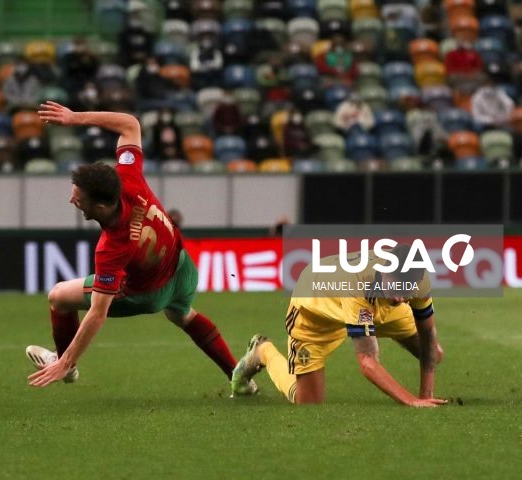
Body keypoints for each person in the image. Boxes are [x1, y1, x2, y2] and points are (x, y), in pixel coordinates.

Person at [26, 102, 251, 391]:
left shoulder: (111, 248)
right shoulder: (128, 177)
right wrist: (75, 118)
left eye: (78, 199)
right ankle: (238, 376)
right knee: (183, 315)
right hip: (181, 267)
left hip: (148, 294)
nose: (72, 201)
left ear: (102, 205)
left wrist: (67, 360)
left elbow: (97, 314)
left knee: (58, 296)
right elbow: (130, 124)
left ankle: (64, 365)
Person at [230, 244, 447, 407]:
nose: (401, 298)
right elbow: (368, 362)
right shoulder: (356, 282)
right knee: (307, 402)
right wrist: (411, 401)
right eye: (397, 287)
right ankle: (263, 351)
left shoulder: (417, 278)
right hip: (317, 312)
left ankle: (373, 320)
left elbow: (427, 333)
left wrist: (426, 395)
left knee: (432, 353)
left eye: (407, 290)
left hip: (375, 304)